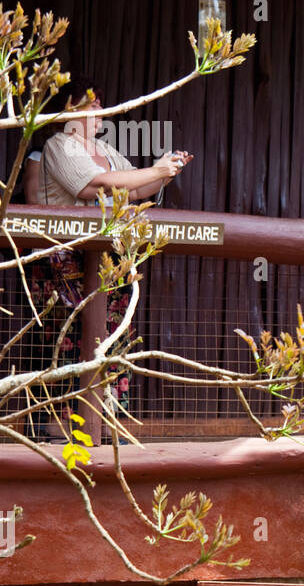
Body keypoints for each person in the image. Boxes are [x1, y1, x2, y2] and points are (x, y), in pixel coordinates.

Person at [26, 77, 193, 438]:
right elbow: (93, 185)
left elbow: (136, 187)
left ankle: (107, 429)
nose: (100, 110)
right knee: (69, 346)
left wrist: (165, 172)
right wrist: (154, 172)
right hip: (65, 269)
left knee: (111, 342)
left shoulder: (108, 151)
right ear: (68, 110)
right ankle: (60, 437)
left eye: (101, 103)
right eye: (91, 103)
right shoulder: (61, 144)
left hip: (108, 266)